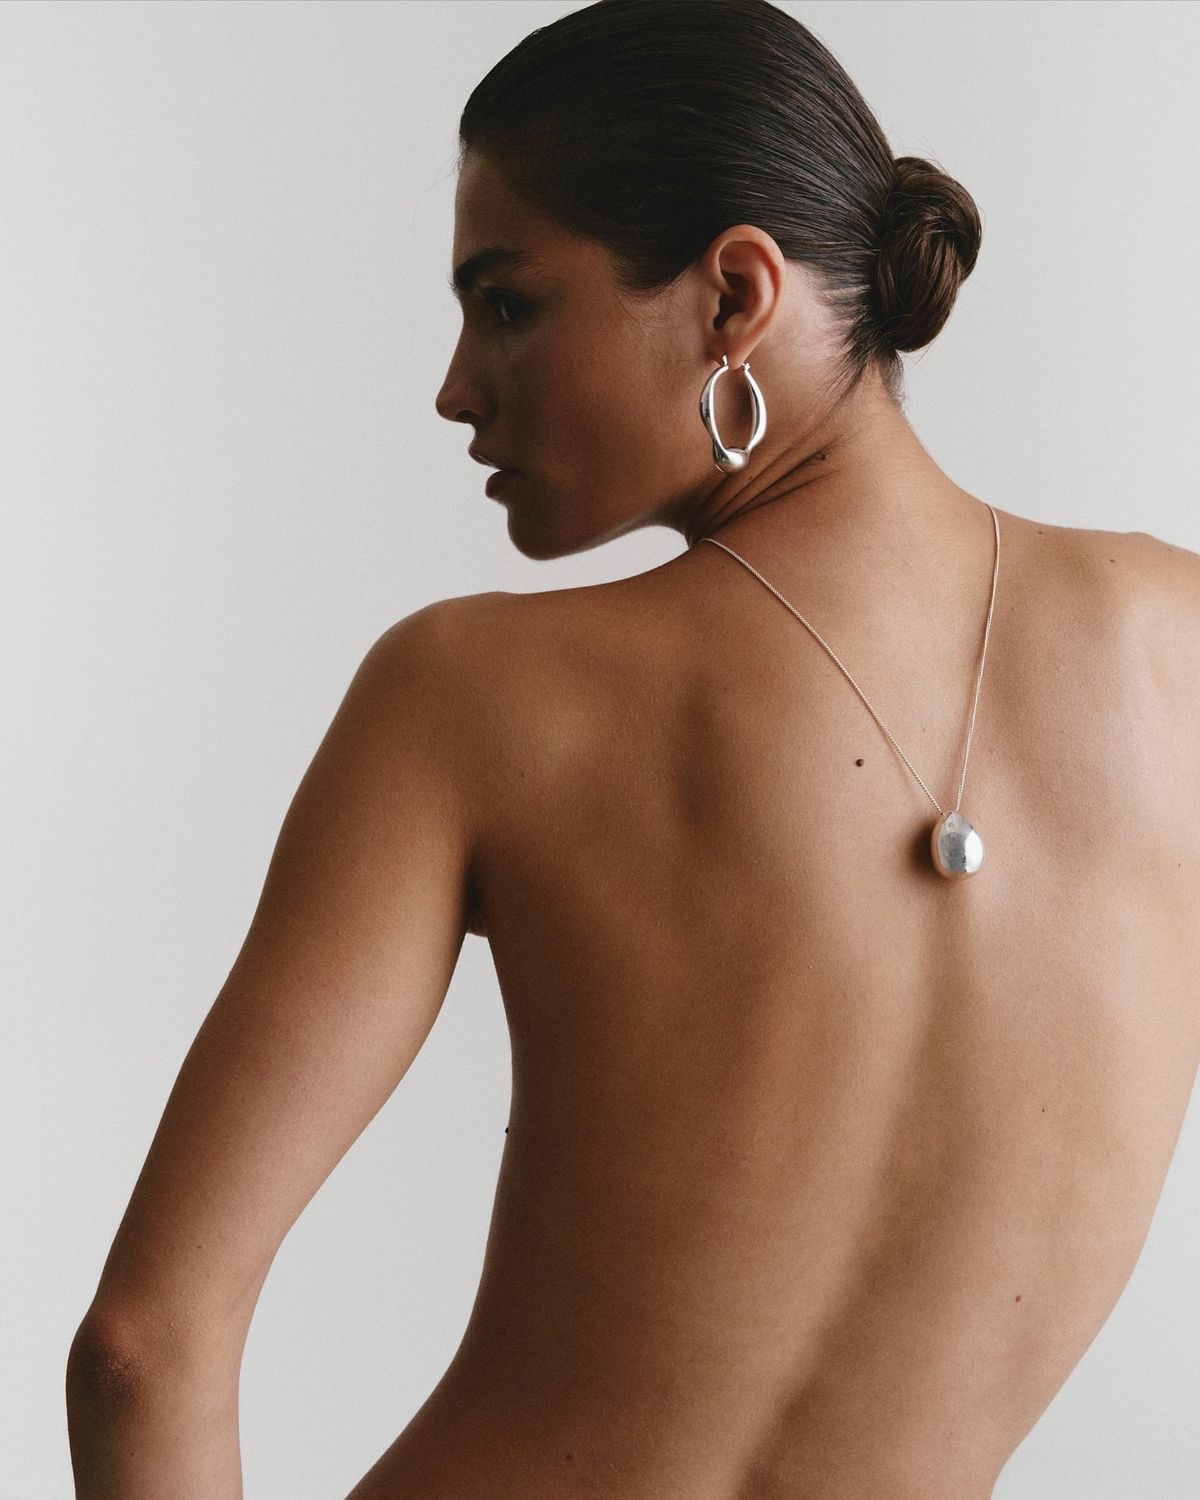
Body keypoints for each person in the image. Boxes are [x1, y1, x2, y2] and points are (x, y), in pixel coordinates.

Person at [66, 3, 1200, 1497]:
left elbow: (145, 1344)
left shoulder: (470, 693)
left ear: (736, 292)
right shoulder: (1179, 648)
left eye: (508, 303)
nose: (457, 387)